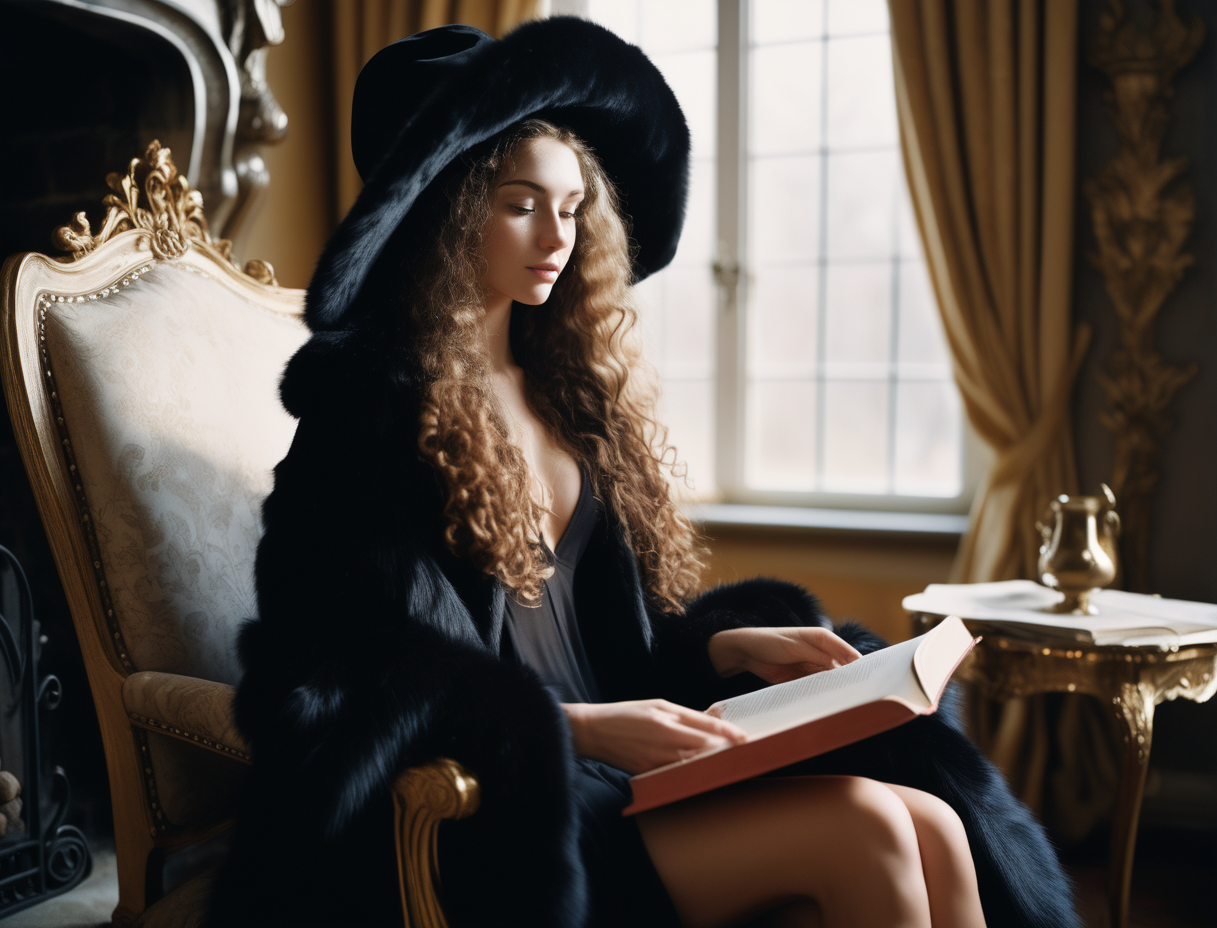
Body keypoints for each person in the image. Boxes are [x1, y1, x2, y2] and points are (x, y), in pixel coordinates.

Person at [208, 18, 1078, 928]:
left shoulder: (566, 392)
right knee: (870, 825)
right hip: (513, 803)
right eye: (520, 203)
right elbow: (326, 672)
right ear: (444, 209)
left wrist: (721, 648)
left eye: (574, 205)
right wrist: (573, 728)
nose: (559, 234)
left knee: (935, 822)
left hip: (639, 767)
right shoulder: (367, 413)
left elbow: (605, 643)